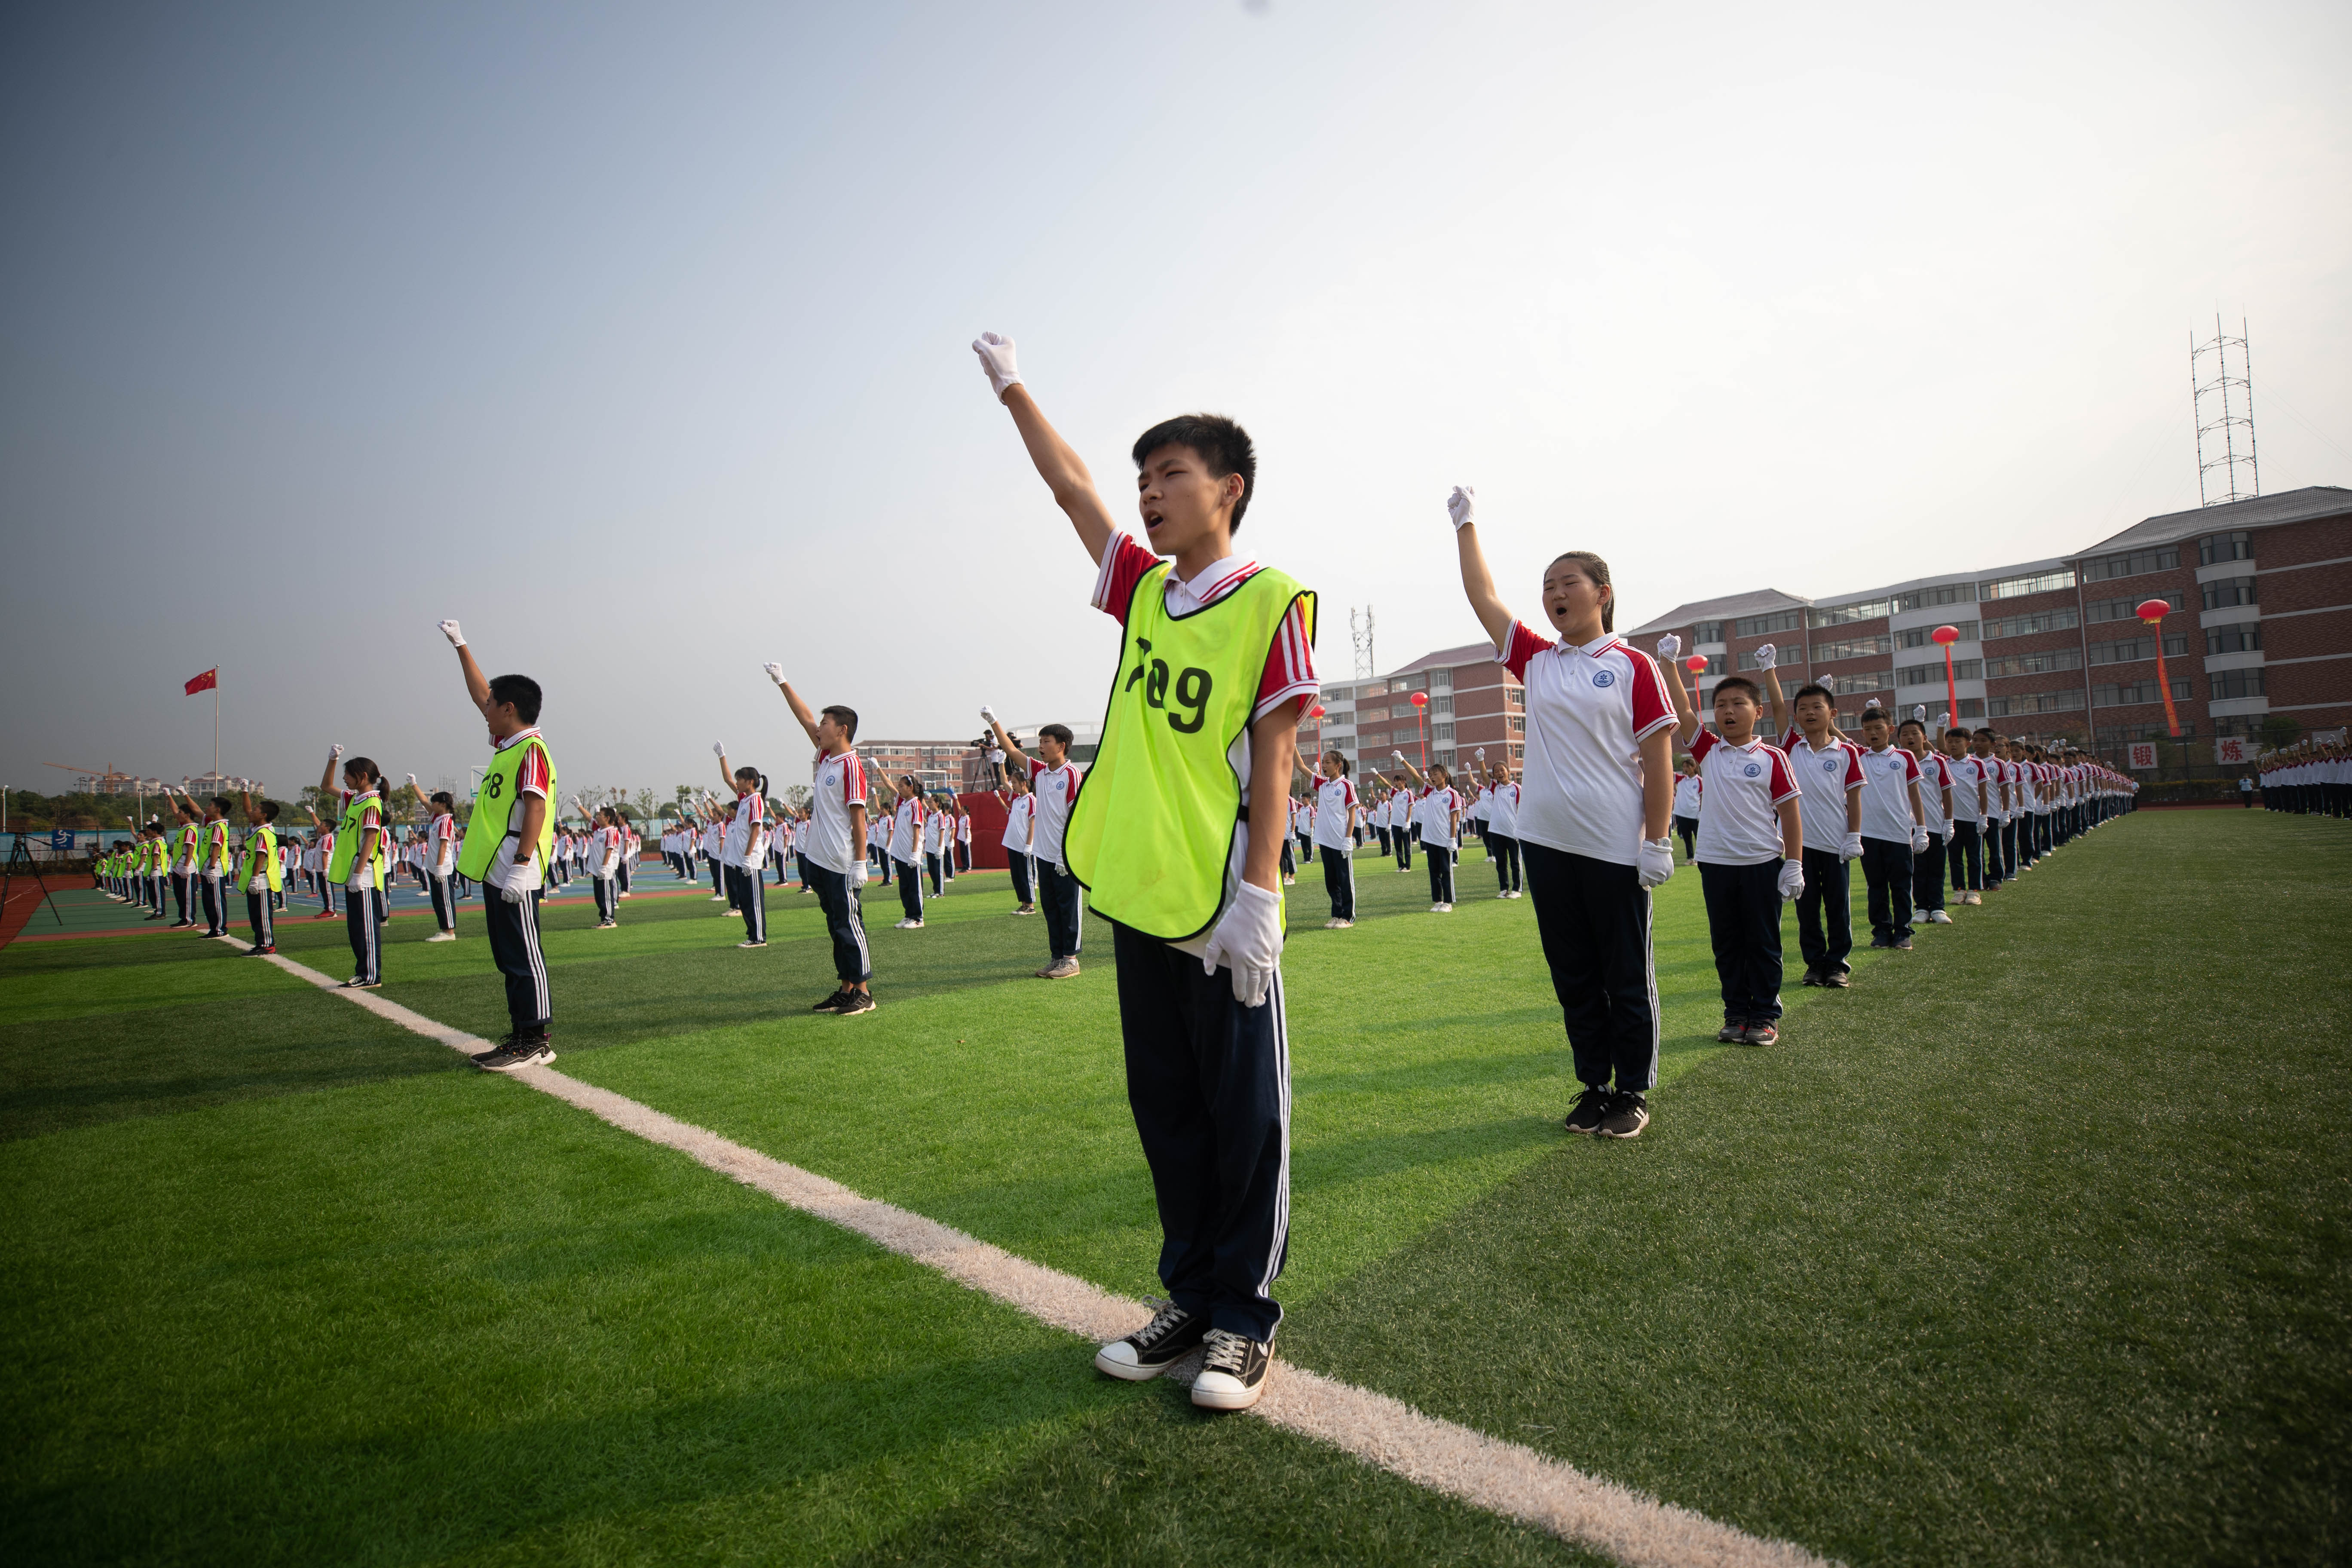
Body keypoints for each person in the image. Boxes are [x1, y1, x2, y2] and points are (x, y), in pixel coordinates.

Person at [973, 330, 1313, 1411]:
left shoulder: (1274, 601)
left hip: (1219, 904)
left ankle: (1244, 1320)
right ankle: (1189, 1298)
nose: (1149, 493)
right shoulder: (1143, 592)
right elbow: (1070, 491)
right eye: (1145, 478)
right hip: (1140, 895)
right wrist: (1013, 387)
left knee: (1241, 1114)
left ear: (1229, 489)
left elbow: (1275, 756)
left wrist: (1256, 898)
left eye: (1171, 474)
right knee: (1166, 1110)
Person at [1452, 486, 1673, 1140]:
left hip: (1613, 846)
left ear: (1602, 592)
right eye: (1547, 586)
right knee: (1574, 974)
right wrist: (1467, 526)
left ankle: (1632, 1090)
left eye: (1568, 582)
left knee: (1624, 975)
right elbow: (1483, 598)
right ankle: (1594, 1085)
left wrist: (1656, 841)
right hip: (1546, 843)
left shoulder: (1632, 666)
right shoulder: (1537, 661)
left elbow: (1658, 759)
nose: (1554, 594)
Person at [437, 619, 560, 1071]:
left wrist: (524, 864)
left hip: (515, 864)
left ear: (509, 709)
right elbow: (479, 693)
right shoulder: (509, 746)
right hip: (498, 865)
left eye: (492, 705)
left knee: (526, 953)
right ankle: (520, 1033)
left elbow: (536, 808)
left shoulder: (532, 750)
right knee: (508, 956)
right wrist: (461, 646)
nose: (485, 709)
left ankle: (538, 1038)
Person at [1658, 663, 1802, 1046]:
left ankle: (1766, 1016)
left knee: (1763, 942)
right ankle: (1736, 1014)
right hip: (1717, 863)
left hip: (1761, 863)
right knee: (1726, 944)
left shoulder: (1773, 757)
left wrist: (1794, 864)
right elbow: (1684, 710)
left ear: (1758, 712)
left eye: (1739, 703)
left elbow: (1789, 812)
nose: (1728, 711)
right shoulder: (1708, 750)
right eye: (1721, 704)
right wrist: (1671, 665)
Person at [760, 664, 874, 1014]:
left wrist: (860, 862)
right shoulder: (827, 756)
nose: (818, 728)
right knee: (835, 925)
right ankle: (845, 989)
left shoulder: (851, 766)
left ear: (842, 730)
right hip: (820, 858)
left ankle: (864, 992)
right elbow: (804, 717)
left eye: (825, 724)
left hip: (841, 860)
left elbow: (858, 818)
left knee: (849, 923)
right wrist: (782, 682)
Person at [1757, 647, 1865, 986]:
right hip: (1799, 846)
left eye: (1817, 707)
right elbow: (1776, 708)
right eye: (1803, 709)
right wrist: (1769, 669)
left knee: (1837, 906)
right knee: (1807, 909)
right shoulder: (1790, 746)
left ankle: (1837, 965)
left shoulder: (1846, 752)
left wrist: (1854, 836)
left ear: (1832, 713)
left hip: (1835, 843)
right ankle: (1815, 964)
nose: (1809, 713)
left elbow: (1854, 798)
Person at [983, 712, 1086, 980]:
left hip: (1065, 856)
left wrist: (1068, 853)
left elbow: (1079, 818)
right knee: (1051, 908)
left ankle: (1071, 959)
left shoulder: (1073, 774)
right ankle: (1057, 958)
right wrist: (994, 722)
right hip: (1044, 854)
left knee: (1068, 906)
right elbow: (1011, 750)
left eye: (1046, 741)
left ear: (1061, 746)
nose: (1040, 747)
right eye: (1040, 741)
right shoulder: (1040, 772)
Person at [1852, 707, 1925, 950]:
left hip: (1899, 833)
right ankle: (1882, 931)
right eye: (1868, 729)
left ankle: (1903, 931)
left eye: (1878, 728)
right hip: (1869, 834)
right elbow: (1836, 737)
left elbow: (1915, 795)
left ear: (1890, 730)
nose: (1873, 734)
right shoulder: (1859, 757)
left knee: (1902, 886)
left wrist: (1921, 829)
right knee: (1877, 887)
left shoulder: (1905, 757)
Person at [318, 747, 390, 986]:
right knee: (356, 927)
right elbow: (326, 787)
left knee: (367, 928)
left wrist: (359, 874)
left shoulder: (371, 802)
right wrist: (333, 759)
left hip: (365, 874)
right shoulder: (354, 799)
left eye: (348, 774)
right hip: (354, 873)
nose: (344, 779)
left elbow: (371, 838)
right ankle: (363, 971)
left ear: (362, 775)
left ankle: (371, 975)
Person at [1899, 714, 1954, 925]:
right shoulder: (1898, 761)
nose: (1910, 738)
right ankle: (1921, 907)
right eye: (1905, 734)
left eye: (1915, 733)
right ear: (1899, 739)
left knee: (1937, 868)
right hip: (1908, 827)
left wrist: (1949, 822)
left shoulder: (1938, 761)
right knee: (1917, 871)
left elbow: (1947, 794)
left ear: (1924, 737)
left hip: (1935, 824)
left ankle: (1938, 907)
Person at [1390, 753, 1461, 911]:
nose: (1432, 778)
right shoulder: (1430, 791)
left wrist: (1452, 839)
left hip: (1444, 839)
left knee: (1446, 871)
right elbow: (1415, 774)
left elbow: (1454, 818)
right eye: (1431, 775)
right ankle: (1438, 901)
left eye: (1436, 774)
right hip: (1430, 838)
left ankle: (1448, 902)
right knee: (1434, 871)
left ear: (1445, 775)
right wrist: (1402, 760)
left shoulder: (1452, 794)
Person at [715, 747, 770, 948]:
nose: (737, 782)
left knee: (754, 900)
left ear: (750, 782)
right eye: (738, 779)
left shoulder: (755, 800)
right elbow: (728, 780)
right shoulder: (744, 799)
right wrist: (722, 757)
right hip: (741, 859)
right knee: (746, 900)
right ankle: (752, 935)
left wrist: (748, 857)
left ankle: (759, 937)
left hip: (751, 860)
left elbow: (756, 828)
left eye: (741, 779)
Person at [1299, 749, 1359, 927]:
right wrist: (1291, 741)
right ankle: (1337, 914)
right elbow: (1300, 765)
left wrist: (1348, 839)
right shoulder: (1322, 784)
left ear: (1338, 766)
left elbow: (1352, 812)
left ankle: (1348, 917)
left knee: (1345, 880)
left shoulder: (1346, 785)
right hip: (1325, 841)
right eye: (1323, 763)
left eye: (1328, 763)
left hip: (1340, 841)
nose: (1324, 766)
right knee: (1331, 881)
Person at [234, 790, 283, 954]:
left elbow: (261, 856)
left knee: (262, 915)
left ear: (263, 815)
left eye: (256, 810)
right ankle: (261, 943)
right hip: (257, 878)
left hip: (261, 879)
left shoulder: (263, 832)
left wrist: (255, 878)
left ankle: (267, 944)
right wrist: (245, 791)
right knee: (256, 914)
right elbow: (246, 809)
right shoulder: (260, 828)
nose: (251, 812)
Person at [995, 756, 1038, 915]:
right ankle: (1023, 904)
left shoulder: (1031, 799)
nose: (1012, 786)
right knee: (1016, 876)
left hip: (1023, 846)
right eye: (1012, 783)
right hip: (1012, 843)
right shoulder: (1016, 798)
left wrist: (1029, 845)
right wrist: (1001, 763)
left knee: (1026, 876)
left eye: (1015, 783)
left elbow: (1033, 822)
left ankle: (1031, 906)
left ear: (1024, 784)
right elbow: (1004, 781)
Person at [887, 774, 926, 928]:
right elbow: (889, 786)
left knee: (914, 887)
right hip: (900, 854)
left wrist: (915, 853)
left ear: (911, 788)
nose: (899, 789)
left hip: (911, 854)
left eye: (902, 786)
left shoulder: (915, 804)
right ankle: (909, 915)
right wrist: (877, 768)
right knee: (904, 887)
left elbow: (917, 829)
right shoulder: (903, 804)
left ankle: (918, 918)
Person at [1483, 755, 1524, 898]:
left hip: (1513, 832)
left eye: (1502, 770)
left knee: (1515, 862)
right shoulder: (1495, 788)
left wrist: (1520, 831)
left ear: (1508, 771)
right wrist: (1482, 760)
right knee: (1501, 863)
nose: (1500, 773)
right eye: (1496, 772)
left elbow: (1521, 810)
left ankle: (1517, 889)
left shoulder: (1517, 788)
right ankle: (1504, 889)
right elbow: (1485, 776)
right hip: (1496, 831)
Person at [1671, 756, 1703, 863]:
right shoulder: (1682, 779)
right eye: (1684, 767)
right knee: (1687, 838)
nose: (1685, 769)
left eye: (1688, 767)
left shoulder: (1699, 781)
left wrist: (1701, 812)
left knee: (1699, 838)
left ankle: (1701, 858)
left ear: (1694, 767)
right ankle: (1690, 858)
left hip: (1695, 814)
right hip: (1683, 814)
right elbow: (1671, 775)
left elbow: (1703, 797)